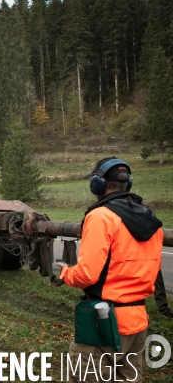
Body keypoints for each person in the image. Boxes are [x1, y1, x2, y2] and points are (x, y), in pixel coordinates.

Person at [57, 156, 163, 383]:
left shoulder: (101, 216)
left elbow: (86, 274)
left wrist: (65, 272)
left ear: (98, 184)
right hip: (136, 323)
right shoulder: (151, 219)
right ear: (129, 184)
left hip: (103, 324)